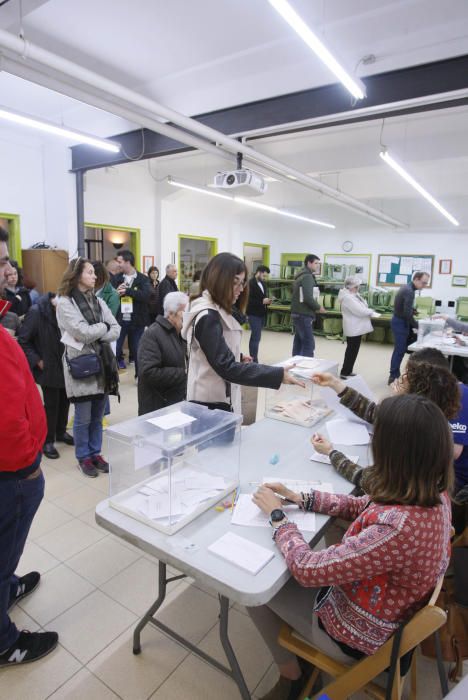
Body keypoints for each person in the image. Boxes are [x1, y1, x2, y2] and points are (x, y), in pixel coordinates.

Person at [248, 393, 452, 700]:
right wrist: (301, 497)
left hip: (355, 637)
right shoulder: (433, 494)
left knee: (256, 588)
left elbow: (307, 569)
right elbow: (363, 505)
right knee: (290, 559)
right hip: (384, 614)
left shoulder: (397, 528)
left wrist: (278, 517)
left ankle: (293, 678)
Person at [0, 226, 58, 667]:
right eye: (1, 263)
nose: (8, 271)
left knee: (7, 548)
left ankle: (7, 586)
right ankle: (4, 641)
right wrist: (27, 466)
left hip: (14, 467)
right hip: (11, 472)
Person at [311, 349, 461, 490]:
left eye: (403, 381)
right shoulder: (435, 422)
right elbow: (373, 412)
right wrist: (335, 384)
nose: (396, 382)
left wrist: (331, 453)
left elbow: (373, 482)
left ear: (416, 396)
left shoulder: (410, 435)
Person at [182, 252, 303, 415]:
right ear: (218, 280)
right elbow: (227, 367)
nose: (240, 289)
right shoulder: (208, 316)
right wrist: (276, 374)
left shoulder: (219, 309)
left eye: (242, 283)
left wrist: (237, 356)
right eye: (234, 283)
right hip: (210, 403)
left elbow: (212, 351)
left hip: (221, 395)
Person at [56, 258, 120, 478]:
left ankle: (96, 452)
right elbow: (81, 332)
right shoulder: (65, 303)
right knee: (83, 417)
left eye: (94, 273)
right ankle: (83, 457)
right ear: (76, 275)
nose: (95, 276)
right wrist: (103, 327)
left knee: (97, 416)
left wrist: (98, 331)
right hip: (81, 366)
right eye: (90, 272)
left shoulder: (99, 301)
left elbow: (116, 328)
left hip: (102, 366)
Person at [18, 293, 74, 460]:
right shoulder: (37, 312)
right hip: (47, 365)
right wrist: (37, 360)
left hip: (65, 363)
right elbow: (23, 340)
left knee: (65, 399)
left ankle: (60, 431)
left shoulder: (65, 312)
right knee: (51, 404)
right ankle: (47, 440)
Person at [137, 291, 188, 415]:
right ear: (171, 314)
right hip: (158, 408)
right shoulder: (152, 334)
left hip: (176, 404)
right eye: (184, 313)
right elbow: (149, 372)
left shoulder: (182, 333)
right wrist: (185, 373)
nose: (188, 317)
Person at [112, 249, 151, 374]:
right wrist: (115, 293)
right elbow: (109, 297)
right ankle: (112, 377)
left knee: (137, 350)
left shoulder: (143, 279)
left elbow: (145, 296)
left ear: (128, 262)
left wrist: (127, 291)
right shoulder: (116, 278)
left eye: (120, 261)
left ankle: (140, 376)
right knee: (115, 349)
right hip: (120, 320)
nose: (118, 264)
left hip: (137, 320)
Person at [388, 270, 430, 384]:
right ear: (416, 279)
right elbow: (406, 314)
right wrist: (418, 326)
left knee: (401, 349)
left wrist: (412, 311)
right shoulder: (409, 291)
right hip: (400, 322)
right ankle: (393, 376)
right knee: (400, 350)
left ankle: (394, 374)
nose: (424, 286)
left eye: (426, 283)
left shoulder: (407, 288)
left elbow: (404, 308)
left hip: (400, 320)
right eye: (423, 283)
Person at [338, 275, 380, 379]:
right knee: (351, 351)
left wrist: (367, 307)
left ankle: (348, 370)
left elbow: (363, 306)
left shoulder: (353, 295)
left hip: (356, 328)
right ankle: (345, 372)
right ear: (350, 286)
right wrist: (372, 312)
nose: (358, 288)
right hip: (353, 328)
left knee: (353, 351)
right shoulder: (348, 298)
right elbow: (360, 311)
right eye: (357, 286)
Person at [290, 254, 324, 357]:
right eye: (316, 263)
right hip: (304, 314)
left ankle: (295, 365)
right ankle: (306, 370)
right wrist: (318, 307)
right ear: (309, 263)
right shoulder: (308, 277)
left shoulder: (300, 275)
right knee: (309, 344)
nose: (318, 265)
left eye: (319, 263)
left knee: (299, 342)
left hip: (297, 313)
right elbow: (308, 297)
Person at [246, 264, 272, 363]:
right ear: (258, 272)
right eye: (264, 276)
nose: (265, 278)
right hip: (253, 314)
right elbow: (248, 301)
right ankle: (254, 360)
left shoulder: (263, 284)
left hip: (261, 313)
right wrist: (262, 301)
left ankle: (253, 358)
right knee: (256, 337)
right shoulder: (249, 283)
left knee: (257, 337)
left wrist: (267, 301)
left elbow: (262, 297)